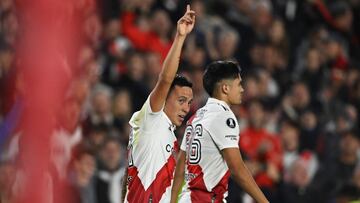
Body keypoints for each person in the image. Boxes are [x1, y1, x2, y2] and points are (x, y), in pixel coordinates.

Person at [123, 5, 195, 203]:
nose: (186, 108)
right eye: (181, 101)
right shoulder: (152, 119)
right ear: (165, 98)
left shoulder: (170, 139)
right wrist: (180, 38)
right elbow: (165, 79)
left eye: (189, 103)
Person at [170, 61, 269, 203]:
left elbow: (180, 169)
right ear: (225, 88)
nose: (242, 89)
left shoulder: (196, 117)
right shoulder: (224, 116)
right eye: (239, 84)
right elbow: (237, 169)